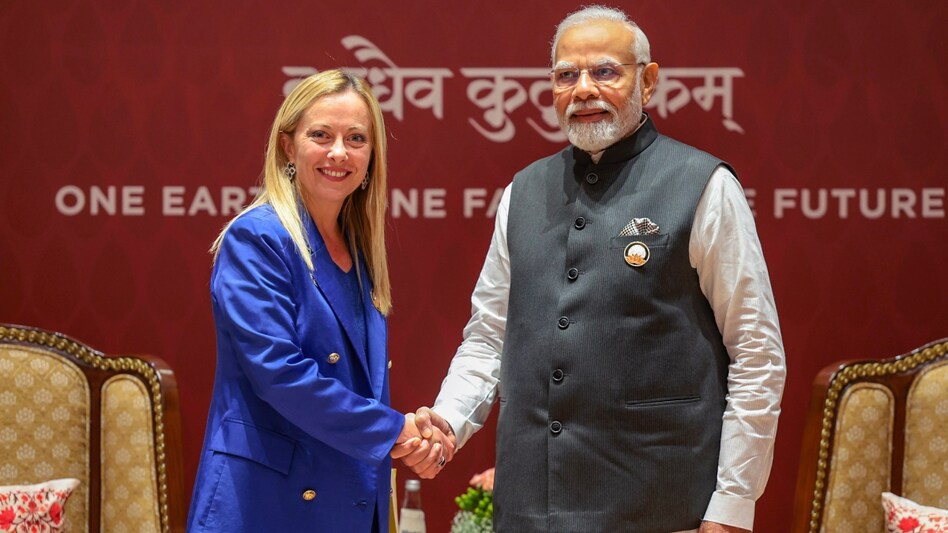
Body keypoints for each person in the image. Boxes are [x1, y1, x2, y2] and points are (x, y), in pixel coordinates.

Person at [405, 6, 786, 533]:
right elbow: (489, 337)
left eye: (605, 71)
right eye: (566, 75)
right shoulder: (523, 191)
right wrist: (448, 420)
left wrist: (731, 507)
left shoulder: (705, 186)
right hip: (530, 509)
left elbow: (757, 353)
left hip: (662, 509)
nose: (583, 89)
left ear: (647, 82)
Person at [186, 69, 450, 532]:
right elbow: (279, 374)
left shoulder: (360, 250)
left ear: (372, 155)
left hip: (350, 501)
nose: (338, 153)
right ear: (288, 145)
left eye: (356, 138)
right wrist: (393, 431)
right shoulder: (257, 238)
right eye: (320, 135)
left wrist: (406, 432)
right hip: (266, 505)